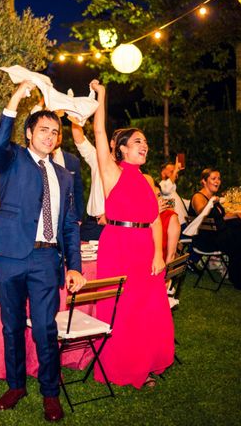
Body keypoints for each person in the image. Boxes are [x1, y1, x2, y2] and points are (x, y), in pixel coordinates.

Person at [0, 80, 85, 422]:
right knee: (11, 325)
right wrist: (13, 100)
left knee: (44, 327)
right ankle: (15, 385)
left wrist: (75, 266)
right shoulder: (12, 159)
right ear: (28, 133)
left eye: (55, 132)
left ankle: (50, 393)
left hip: (46, 259)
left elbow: (70, 225)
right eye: (43, 130)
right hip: (9, 256)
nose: (50, 136)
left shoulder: (64, 176)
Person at [90, 79, 173, 390]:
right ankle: (124, 366)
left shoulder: (148, 179)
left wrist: (159, 254)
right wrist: (102, 95)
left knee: (149, 309)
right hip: (119, 247)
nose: (144, 145)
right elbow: (99, 133)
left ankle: (149, 362)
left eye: (146, 142)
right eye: (138, 141)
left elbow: (154, 220)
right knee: (123, 308)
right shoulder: (112, 171)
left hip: (145, 249)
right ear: (122, 147)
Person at [71, 122, 106, 240]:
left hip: (115, 227)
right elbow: (79, 139)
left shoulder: (133, 173)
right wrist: (76, 117)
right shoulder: (99, 159)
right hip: (92, 225)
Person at [51, 130, 85, 222]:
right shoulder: (40, 159)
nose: (57, 136)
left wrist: (79, 218)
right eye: (54, 133)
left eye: (59, 133)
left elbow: (78, 191)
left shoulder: (73, 160)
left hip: (68, 217)